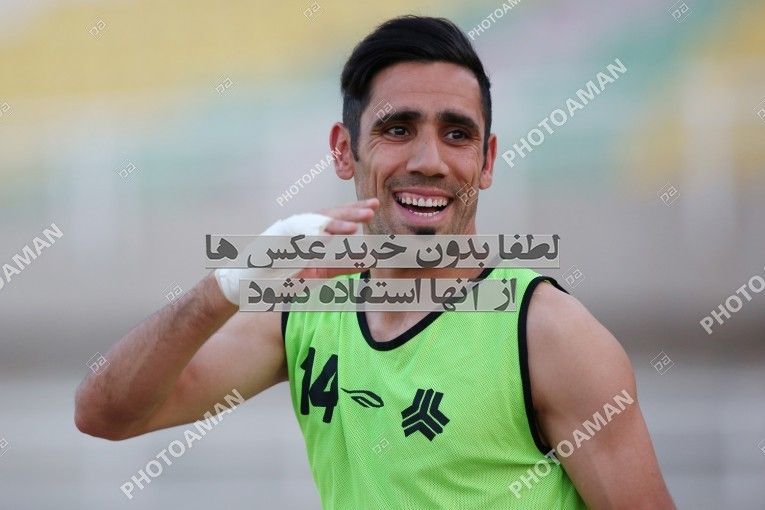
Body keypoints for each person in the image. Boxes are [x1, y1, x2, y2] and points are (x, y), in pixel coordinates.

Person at [75, 15, 675, 509]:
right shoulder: (304, 307)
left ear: (487, 161)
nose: (430, 160)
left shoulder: (549, 332)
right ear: (344, 150)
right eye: (398, 129)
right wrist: (232, 282)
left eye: (457, 134)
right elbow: (106, 414)